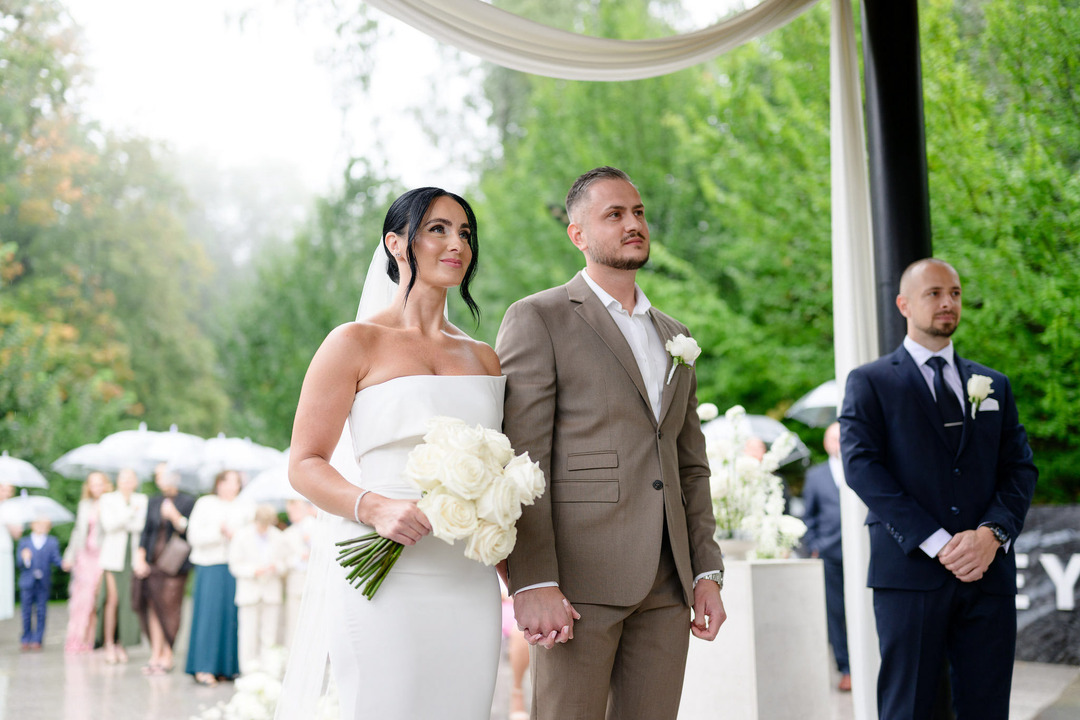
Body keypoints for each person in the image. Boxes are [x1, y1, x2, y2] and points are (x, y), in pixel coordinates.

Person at [496, 166, 725, 719]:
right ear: (578, 235)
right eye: (615, 214)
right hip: (576, 585)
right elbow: (522, 461)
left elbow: (689, 465)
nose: (633, 224)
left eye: (639, 213)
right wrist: (534, 580)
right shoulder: (538, 318)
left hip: (668, 584)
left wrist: (706, 572)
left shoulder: (674, 334)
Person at [277, 187, 504, 719]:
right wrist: (373, 506)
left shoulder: (485, 358)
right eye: (438, 229)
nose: (457, 244)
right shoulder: (354, 342)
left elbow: (498, 475)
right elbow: (304, 462)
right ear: (396, 243)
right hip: (383, 570)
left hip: (467, 573)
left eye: (465, 233)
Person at [840, 258, 1037, 719]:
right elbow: (861, 467)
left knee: (987, 707)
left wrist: (992, 534)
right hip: (910, 575)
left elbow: (1020, 470)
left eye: (955, 293)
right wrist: (936, 541)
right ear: (904, 304)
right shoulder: (870, 382)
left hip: (987, 573)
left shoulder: (994, 385)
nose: (948, 302)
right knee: (909, 707)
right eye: (934, 293)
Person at [185, 468, 253, 686]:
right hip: (210, 564)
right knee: (209, 615)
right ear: (219, 483)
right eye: (228, 482)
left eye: (236, 482)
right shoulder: (205, 503)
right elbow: (193, 535)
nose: (232, 486)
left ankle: (227, 667)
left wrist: (237, 536)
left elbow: (249, 536)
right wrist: (219, 531)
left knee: (230, 616)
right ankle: (204, 667)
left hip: (234, 566)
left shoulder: (245, 507)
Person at [800, 422, 850, 691]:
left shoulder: (861, 467)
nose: (838, 443)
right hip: (830, 553)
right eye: (833, 438)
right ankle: (845, 668)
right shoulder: (816, 475)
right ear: (826, 443)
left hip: (861, 553)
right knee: (836, 612)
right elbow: (809, 515)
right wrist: (815, 546)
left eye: (842, 437)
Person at [133, 465, 196, 675]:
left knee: (170, 607)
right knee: (153, 607)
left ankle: (168, 653)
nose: (162, 480)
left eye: (165, 476)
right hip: (153, 561)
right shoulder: (153, 501)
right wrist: (140, 556)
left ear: (175, 477)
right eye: (158, 477)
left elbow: (190, 530)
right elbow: (146, 531)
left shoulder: (188, 501)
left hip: (174, 565)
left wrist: (175, 516)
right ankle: (155, 653)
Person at [228, 503, 288, 674]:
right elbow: (234, 565)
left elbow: (285, 563)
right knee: (248, 634)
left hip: (271, 591)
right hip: (249, 591)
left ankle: (268, 670)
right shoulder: (241, 536)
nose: (264, 527)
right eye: (262, 524)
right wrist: (254, 571)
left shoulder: (278, 536)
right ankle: (248, 671)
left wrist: (276, 567)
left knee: (269, 634)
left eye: (268, 524)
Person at [97, 467, 148, 663]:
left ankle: (122, 643)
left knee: (129, 600)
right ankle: (109, 642)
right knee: (113, 599)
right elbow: (109, 525)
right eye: (123, 478)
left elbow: (141, 526)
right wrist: (129, 514)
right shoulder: (108, 499)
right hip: (113, 557)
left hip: (132, 555)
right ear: (117, 480)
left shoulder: (141, 500)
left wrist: (125, 518)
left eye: (131, 478)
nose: (127, 482)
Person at [62, 471, 112, 653]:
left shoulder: (111, 504)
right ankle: (77, 638)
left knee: (97, 598)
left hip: (102, 556)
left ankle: (94, 638)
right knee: (81, 599)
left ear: (105, 485)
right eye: (93, 484)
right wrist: (69, 556)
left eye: (100, 483)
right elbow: (77, 532)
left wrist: (103, 513)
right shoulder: (84, 505)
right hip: (84, 556)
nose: (96, 487)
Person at [17, 515, 63, 650]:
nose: (42, 527)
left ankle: (38, 639)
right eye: (39, 524)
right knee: (26, 612)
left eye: (45, 525)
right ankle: (26, 638)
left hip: (43, 582)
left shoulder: (52, 542)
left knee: (41, 611)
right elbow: (19, 563)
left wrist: (65, 564)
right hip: (27, 582)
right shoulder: (24, 542)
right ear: (32, 524)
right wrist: (25, 559)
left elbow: (56, 559)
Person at [280, 498, 316, 648]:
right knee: (294, 621)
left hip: (315, 582)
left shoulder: (317, 527)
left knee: (315, 620)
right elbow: (283, 559)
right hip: (296, 582)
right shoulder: (287, 533)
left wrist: (311, 545)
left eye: (295, 510)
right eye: (289, 512)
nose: (292, 514)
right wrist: (298, 559)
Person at [0, 483, 19, 622]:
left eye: (8, 490)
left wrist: (8, 521)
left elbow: (17, 534)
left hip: (4, 551)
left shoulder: (13, 509)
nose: (6, 493)